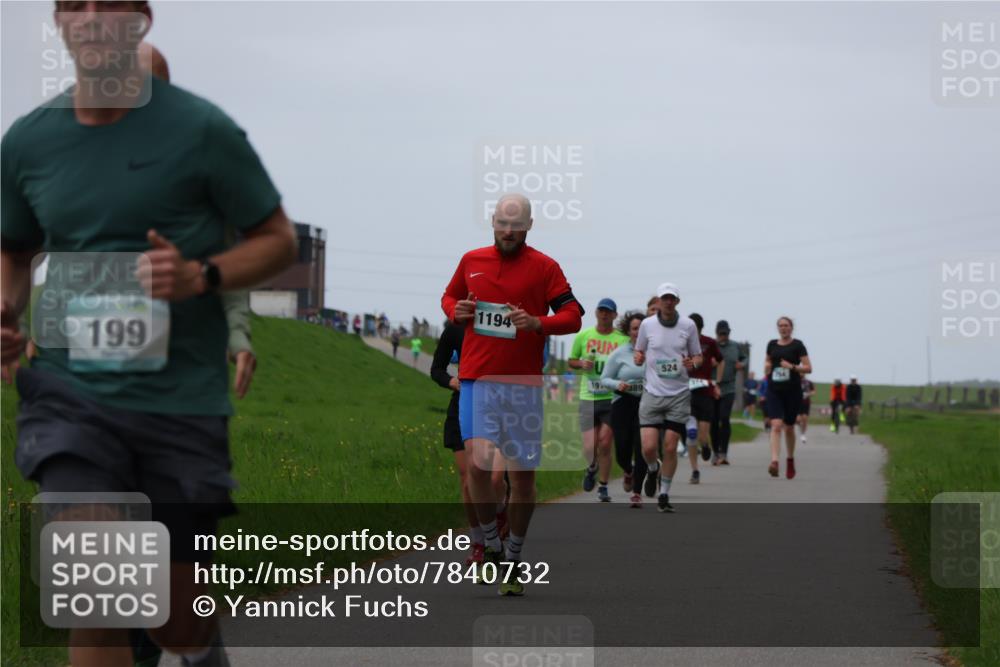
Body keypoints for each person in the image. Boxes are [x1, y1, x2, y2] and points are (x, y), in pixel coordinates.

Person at [1, 5, 297, 666]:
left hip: (179, 402)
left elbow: (277, 240)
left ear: (141, 19)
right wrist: (6, 310)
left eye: (110, 3)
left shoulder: (202, 131)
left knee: (177, 619)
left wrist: (201, 274)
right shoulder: (28, 141)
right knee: (100, 592)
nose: (92, 18)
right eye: (74, 4)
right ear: (57, 21)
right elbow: (15, 250)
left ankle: (198, 649)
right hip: (69, 394)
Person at [441, 193, 583, 595]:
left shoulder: (545, 266)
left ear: (529, 225)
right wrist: (457, 312)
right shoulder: (472, 261)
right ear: (492, 222)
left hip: (523, 384)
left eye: (516, 225)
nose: (508, 231)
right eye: (502, 224)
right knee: (479, 468)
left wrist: (537, 323)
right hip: (478, 379)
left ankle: (514, 559)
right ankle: (489, 545)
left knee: (522, 479)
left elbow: (573, 316)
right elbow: (448, 297)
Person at [430, 322, 508, 566]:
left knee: (495, 480)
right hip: (465, 403)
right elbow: (437, 369)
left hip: (501, 405)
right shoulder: (455, 330)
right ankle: (477, 542)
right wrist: (452, 382)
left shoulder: (502, 324)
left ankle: (500, 512)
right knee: (468, 479)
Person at [634, 283, 702, 513]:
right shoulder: (647, 325)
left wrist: (693, 363)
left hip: (678, 394)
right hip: (652, 392)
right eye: (665, 298)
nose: (668, 302)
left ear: (677, 302)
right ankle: (653, 469)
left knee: (671, 445)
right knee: (649, 447)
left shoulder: (688, 326)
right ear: (659, 301)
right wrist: (638, 357)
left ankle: (664, 493)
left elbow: (698, 357)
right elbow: (639, 350)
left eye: (672, 298)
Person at [569, 298, 628, 502]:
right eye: (601, 311)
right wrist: (581, 364)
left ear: (614, 315)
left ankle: (603, 487)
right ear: (596, 313)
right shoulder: (584, 336)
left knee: (604, 443)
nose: (604, 315)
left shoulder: (622, 339)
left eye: (608, 312)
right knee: (589, 446)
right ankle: (591, 466)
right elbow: (571, 360)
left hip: (612, 397)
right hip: (588, 396)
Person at [599, 311, 647, 507]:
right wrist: (617, 384)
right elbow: (604, 379)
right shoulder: (619, 353)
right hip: (622, 403)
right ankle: (628, 470)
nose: (638, 332)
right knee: (622, 449)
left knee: (641, 446)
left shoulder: (654, 352)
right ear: (629, 331)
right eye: (635, 329)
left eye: (642, 329)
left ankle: (637, 493)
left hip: (645, 403)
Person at [763, 317, 813, 479]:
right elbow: (767, 362)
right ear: (778, 328)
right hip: (774, 390)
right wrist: (767, 367)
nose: (783, 328)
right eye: (780, 326)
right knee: (776, 425)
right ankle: (775, 462)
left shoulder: (798, 345)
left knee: (789, 427)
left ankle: (790, 460)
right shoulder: (771, 344)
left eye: (786, 325)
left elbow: (808, 368)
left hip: (792, 391)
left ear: (791, 328)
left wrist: (791, 366)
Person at [685, 313, 724, 483]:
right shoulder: (681, 342)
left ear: (700, 328)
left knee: (702, 433)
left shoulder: (709, 342)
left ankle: (706, 445)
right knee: (691, 433)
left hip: (705, 391)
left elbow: (721, 360)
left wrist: (717, 382)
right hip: (687, 392)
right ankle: (695, 470)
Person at [712, 319, 746, 466]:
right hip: (713, 387)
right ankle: (715, 451)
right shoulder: (712, 346)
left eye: (725, 334)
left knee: (724, 418)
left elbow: (744, 358)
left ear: (729, 333)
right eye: (721, 334)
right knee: (713, 421)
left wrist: (742, 364)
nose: (723, 337)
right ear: (716, 333)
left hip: (729, 387)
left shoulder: (735, 346)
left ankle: (724, 453)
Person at [797, 375, 816, 443]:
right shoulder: (795, 381)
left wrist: (808, 394)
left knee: (805, 418)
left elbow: (814, 391)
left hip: (806, 402)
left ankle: (803, 434)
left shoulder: (809, 382)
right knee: (798, 419)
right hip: (796, 403)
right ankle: (800, 428)